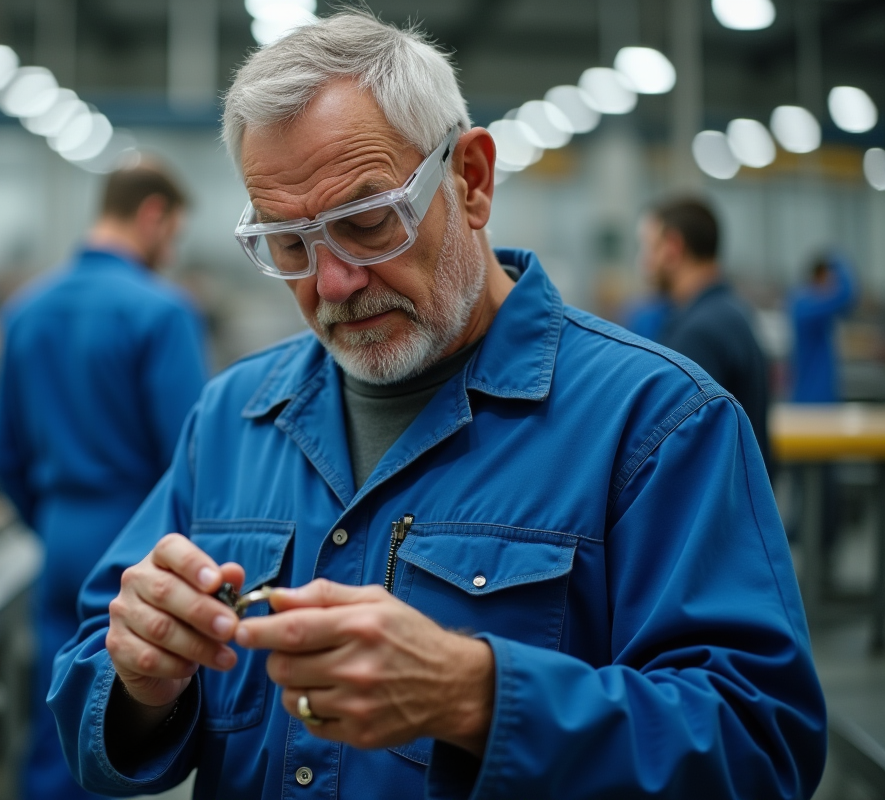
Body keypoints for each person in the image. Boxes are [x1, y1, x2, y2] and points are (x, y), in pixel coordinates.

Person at [49, 13, 825, 799]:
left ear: (472, 180)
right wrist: (140, 683)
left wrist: (480, 697)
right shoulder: (230, 420)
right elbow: (93, 661)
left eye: (366, 223)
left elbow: (760, 745)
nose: (332, 284)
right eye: (290, 245)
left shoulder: (657, 425)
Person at [0, 161, 208, 800]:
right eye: (175, 234)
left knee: (61, 712)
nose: (171, 250)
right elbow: (191, 456)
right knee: (122, 721)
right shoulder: (162, 312)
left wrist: (54, 518)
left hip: (60, 532)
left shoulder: (26, 310)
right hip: (137, 539)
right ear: (152, 216)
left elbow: (3, 452)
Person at [639, 197, 773, 467]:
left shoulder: (698, 333)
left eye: (648, 248)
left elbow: (681, 448)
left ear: (673, 248)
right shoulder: (731, 312)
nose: (644, 262)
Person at [789, 254, 856, 403]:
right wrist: (837, 260)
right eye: (831, 281)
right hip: (812, 397)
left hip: (816, 393)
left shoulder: (808, 305)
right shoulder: (806, 305)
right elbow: (846, 295)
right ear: (819, 277)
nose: (832, 287)